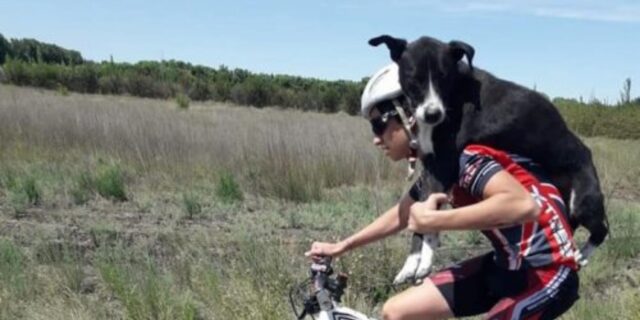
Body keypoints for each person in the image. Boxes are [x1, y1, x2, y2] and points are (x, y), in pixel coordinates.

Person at [305, 63, 581, 320]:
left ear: (410, 115)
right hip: (506, 264)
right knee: (395, 312)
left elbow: (523, 206)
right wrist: (342, 246)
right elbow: (402, 214)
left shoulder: (466, 157)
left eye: (379, 124)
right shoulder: (440, 163)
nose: (375, 138)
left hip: (549, 269)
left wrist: (434, 221)